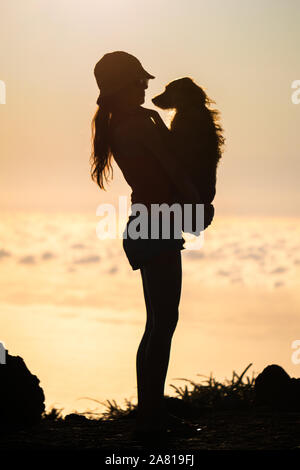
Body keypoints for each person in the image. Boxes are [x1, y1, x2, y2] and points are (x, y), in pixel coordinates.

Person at [91, 51, 200, 441]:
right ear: (124, 87)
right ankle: (150, 418)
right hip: (155, 225)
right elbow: (172, 165)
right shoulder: (137, 124)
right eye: (139, 81)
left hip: (146, 223)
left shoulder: (124, 122)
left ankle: (150, 414)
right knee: (163, 324)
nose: (147, 85)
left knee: (157, 324)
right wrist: (198, 204)